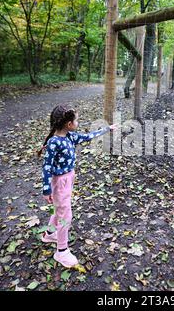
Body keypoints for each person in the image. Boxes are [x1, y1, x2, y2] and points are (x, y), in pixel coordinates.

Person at [37, 105, 117, 267]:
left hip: (68, 179)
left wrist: (107, 128)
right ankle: (61, 251)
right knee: (65, 216)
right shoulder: (54, 143)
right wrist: (46, 190)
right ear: (68, 124)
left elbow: (88, 136)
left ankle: (49, 234)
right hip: (59, 183)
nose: (77, 122)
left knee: (59, 210)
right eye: (76, 120)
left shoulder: (70, 137)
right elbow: (46, 167)